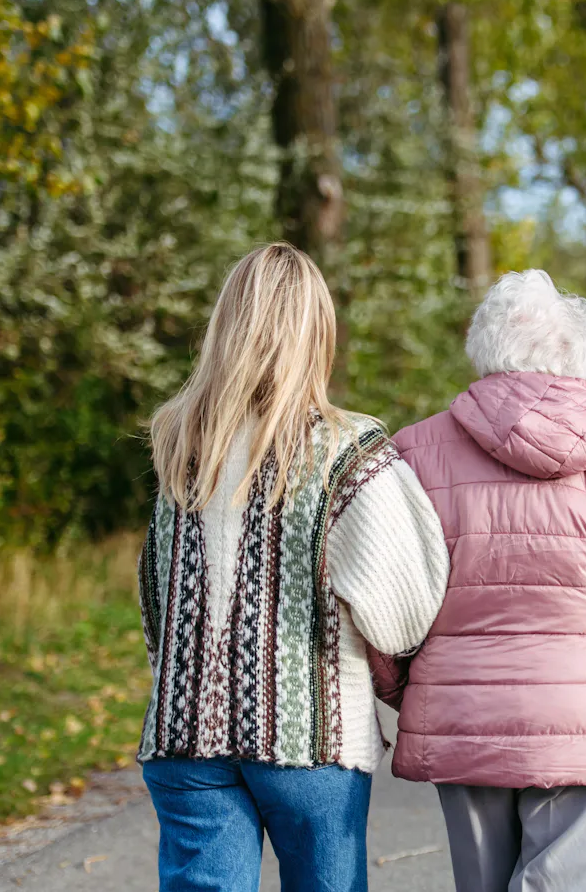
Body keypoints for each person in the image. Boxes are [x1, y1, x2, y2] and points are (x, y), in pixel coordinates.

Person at [371, 269, 586, 892]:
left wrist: (410, 691)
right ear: (580, 357)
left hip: (462, 713)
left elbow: (380, 595)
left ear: (483, 352)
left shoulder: (411, 453)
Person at [134, 242, 449, 892]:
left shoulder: (179, 450)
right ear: (316, 334)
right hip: (310, 738)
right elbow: (405, 610)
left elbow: (154, 598)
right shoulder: (347, 453)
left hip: (185, 734)